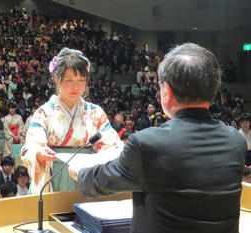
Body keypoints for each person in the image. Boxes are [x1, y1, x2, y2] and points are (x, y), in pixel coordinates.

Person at [70, 43, 246, 233]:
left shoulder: (148, 143)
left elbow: (101, 181)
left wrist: (78, 171)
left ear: (167, 91)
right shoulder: (236, 141)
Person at [21, 48, 123, 194]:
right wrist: (38, 152)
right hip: (53, 175)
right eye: (69, 80)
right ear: (56, 80)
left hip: (86, 175)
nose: (76, 87)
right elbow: (31, 146)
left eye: (81, 80)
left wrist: (108, 154)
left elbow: (113, 147)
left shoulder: (95, 112)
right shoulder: (44, 112)